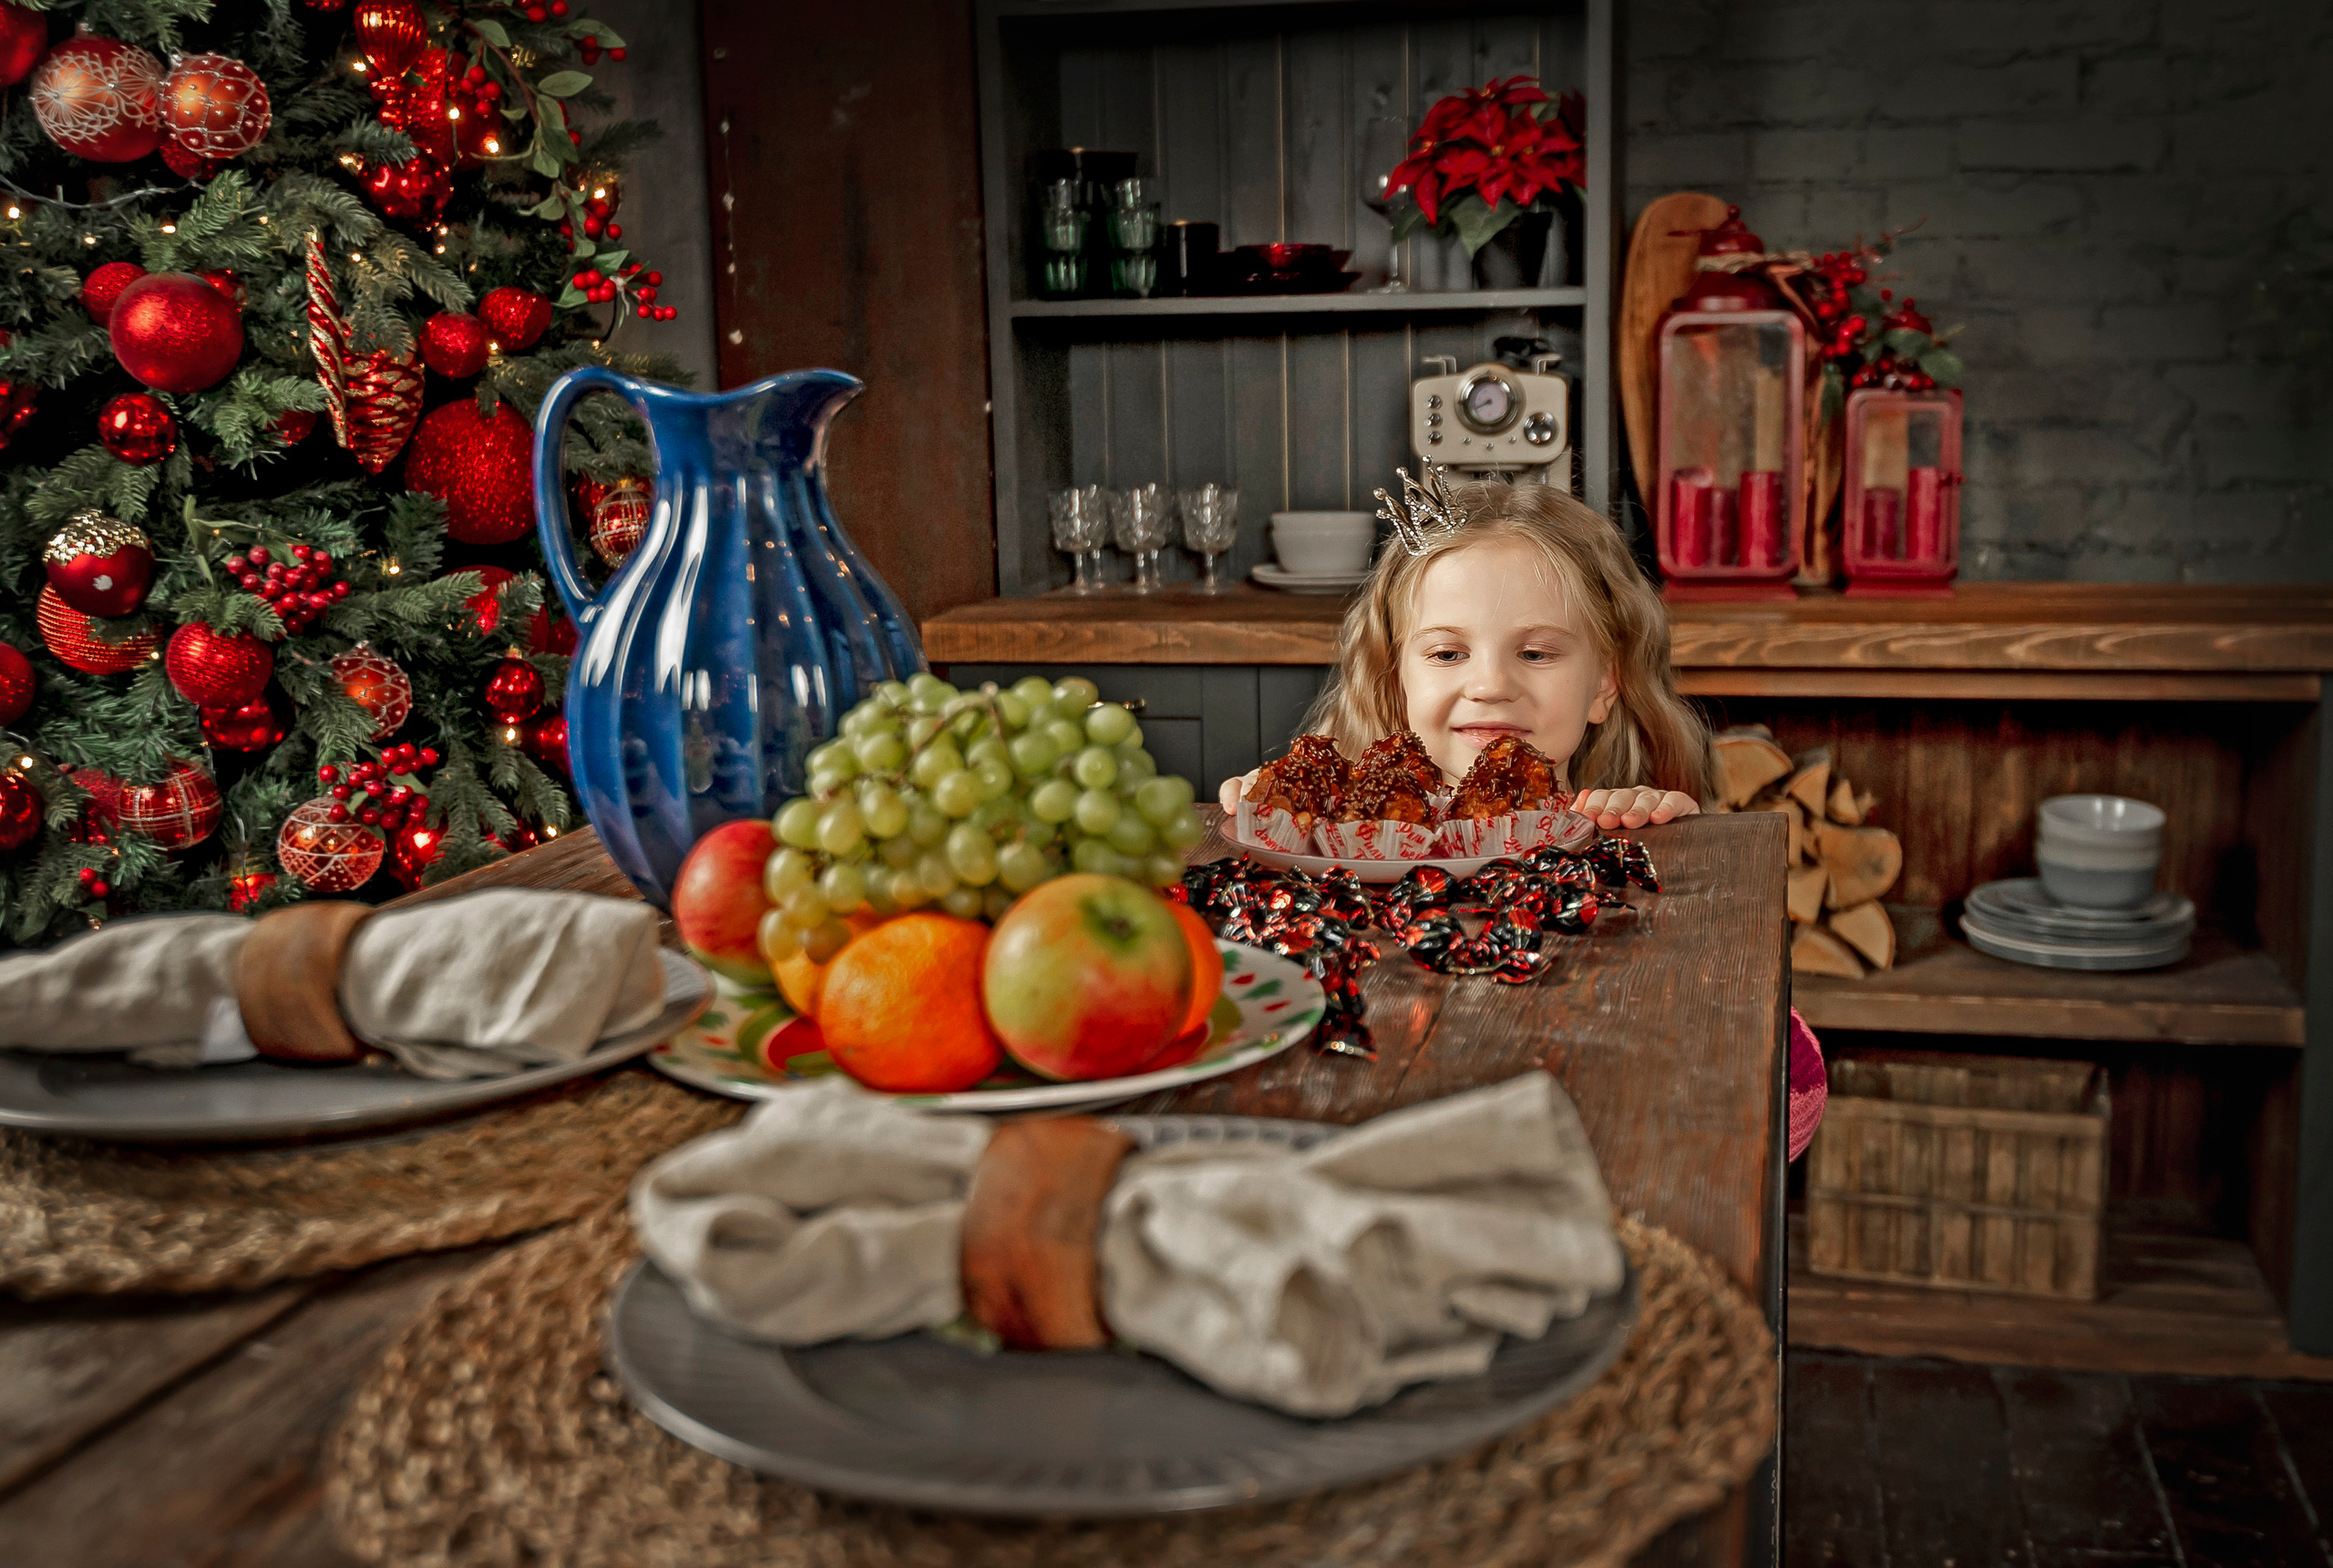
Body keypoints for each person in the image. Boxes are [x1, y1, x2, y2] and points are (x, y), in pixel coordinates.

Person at [1219, 477, 1714, 829]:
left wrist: (1659, 823)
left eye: (1537, 654)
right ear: (1396, 678)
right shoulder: (1336, 831)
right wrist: (1275, 804)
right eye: (1448, 654)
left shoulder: (1625, 821)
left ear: (1605, 683)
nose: (1490, 686)